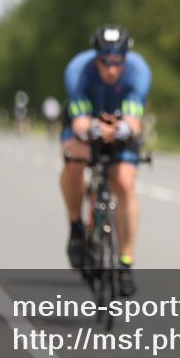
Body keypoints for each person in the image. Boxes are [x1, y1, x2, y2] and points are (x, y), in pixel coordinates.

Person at [60, 25, 151, 297]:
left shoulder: (139, 70)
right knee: (75, 160)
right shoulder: (78, 70)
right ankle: (76, 227)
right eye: (104, 61)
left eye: (117, 62)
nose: (111, 69)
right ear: (95, 56)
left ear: (125, 57)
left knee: (124, 182)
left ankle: (125, 263)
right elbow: (78, 121)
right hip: (86, 124)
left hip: (120, 126)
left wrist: (123, 129)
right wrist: (94, 130)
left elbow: (134, 120)